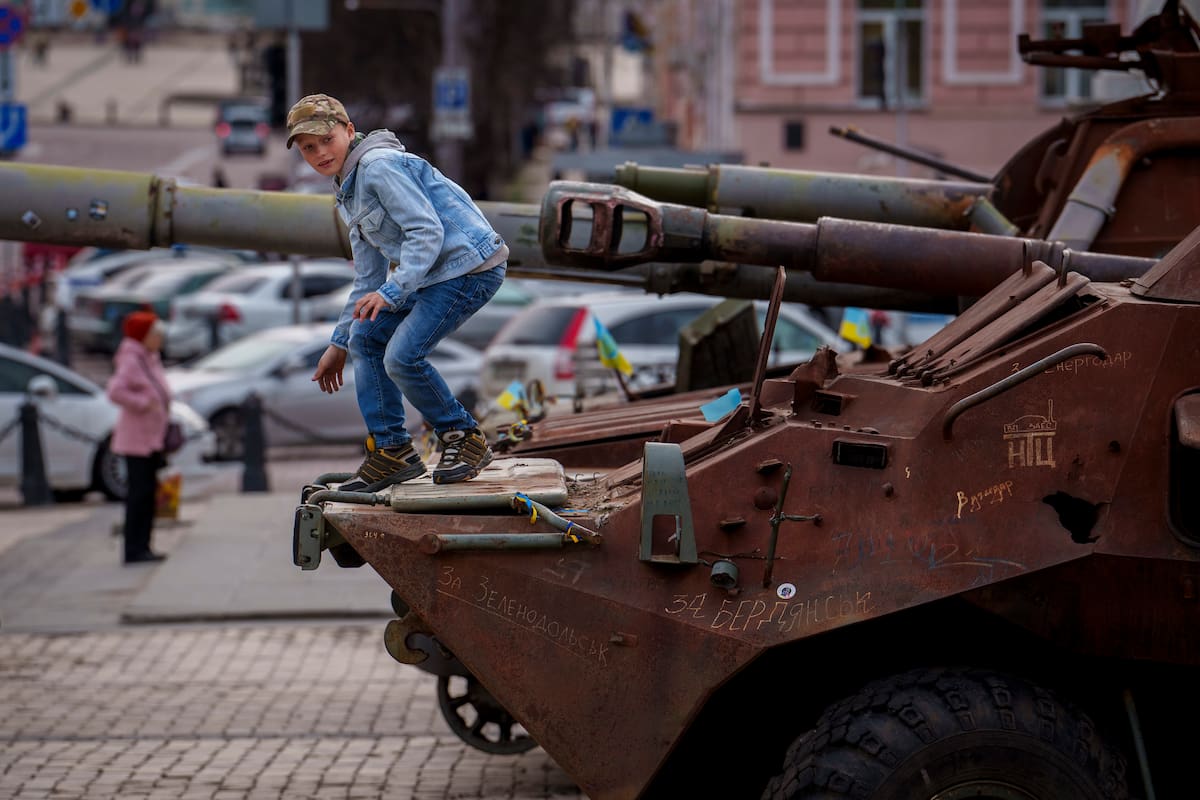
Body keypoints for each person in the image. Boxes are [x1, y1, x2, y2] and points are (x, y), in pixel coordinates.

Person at [287, 93, 508, 491]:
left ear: (349, 130)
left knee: (402, 356)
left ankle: (464, 438)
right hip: (433, 273)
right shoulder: (348, 188)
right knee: (365, 336)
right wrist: (339, 343)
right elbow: (367, 280)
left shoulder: (378, 167)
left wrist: (392, 292)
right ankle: (393, 452)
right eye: (308, 147)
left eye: (327, 140)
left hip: (469, 267)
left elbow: (427, 231)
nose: (320, 153)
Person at [106, 310, 170, 564]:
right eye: (156, 334)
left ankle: (144, 545)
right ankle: (134, 549)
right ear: (144, 336)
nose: (160, 339)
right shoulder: (132, 358)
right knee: (139, 494)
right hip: (137, 440)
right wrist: (144, 403)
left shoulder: (150, 357)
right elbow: (115, 391)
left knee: (148, 493)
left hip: (152, 437)